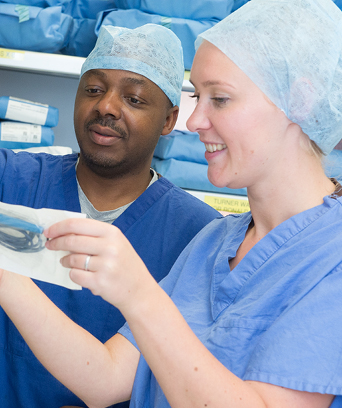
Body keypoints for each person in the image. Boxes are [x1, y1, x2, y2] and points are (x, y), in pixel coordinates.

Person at [2, 0, 342, 407]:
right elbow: (106, 378)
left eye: (220, 98)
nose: (194, 121)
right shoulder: (214, 242)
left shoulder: (331, 257)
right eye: (198, 96)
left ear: (301, 101)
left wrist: (139, 294)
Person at [0, 24, 220, 408]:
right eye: (94, 90)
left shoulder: (199, 235)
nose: (106, 106)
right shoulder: (12, 180)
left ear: (169, 120)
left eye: (134, 99)